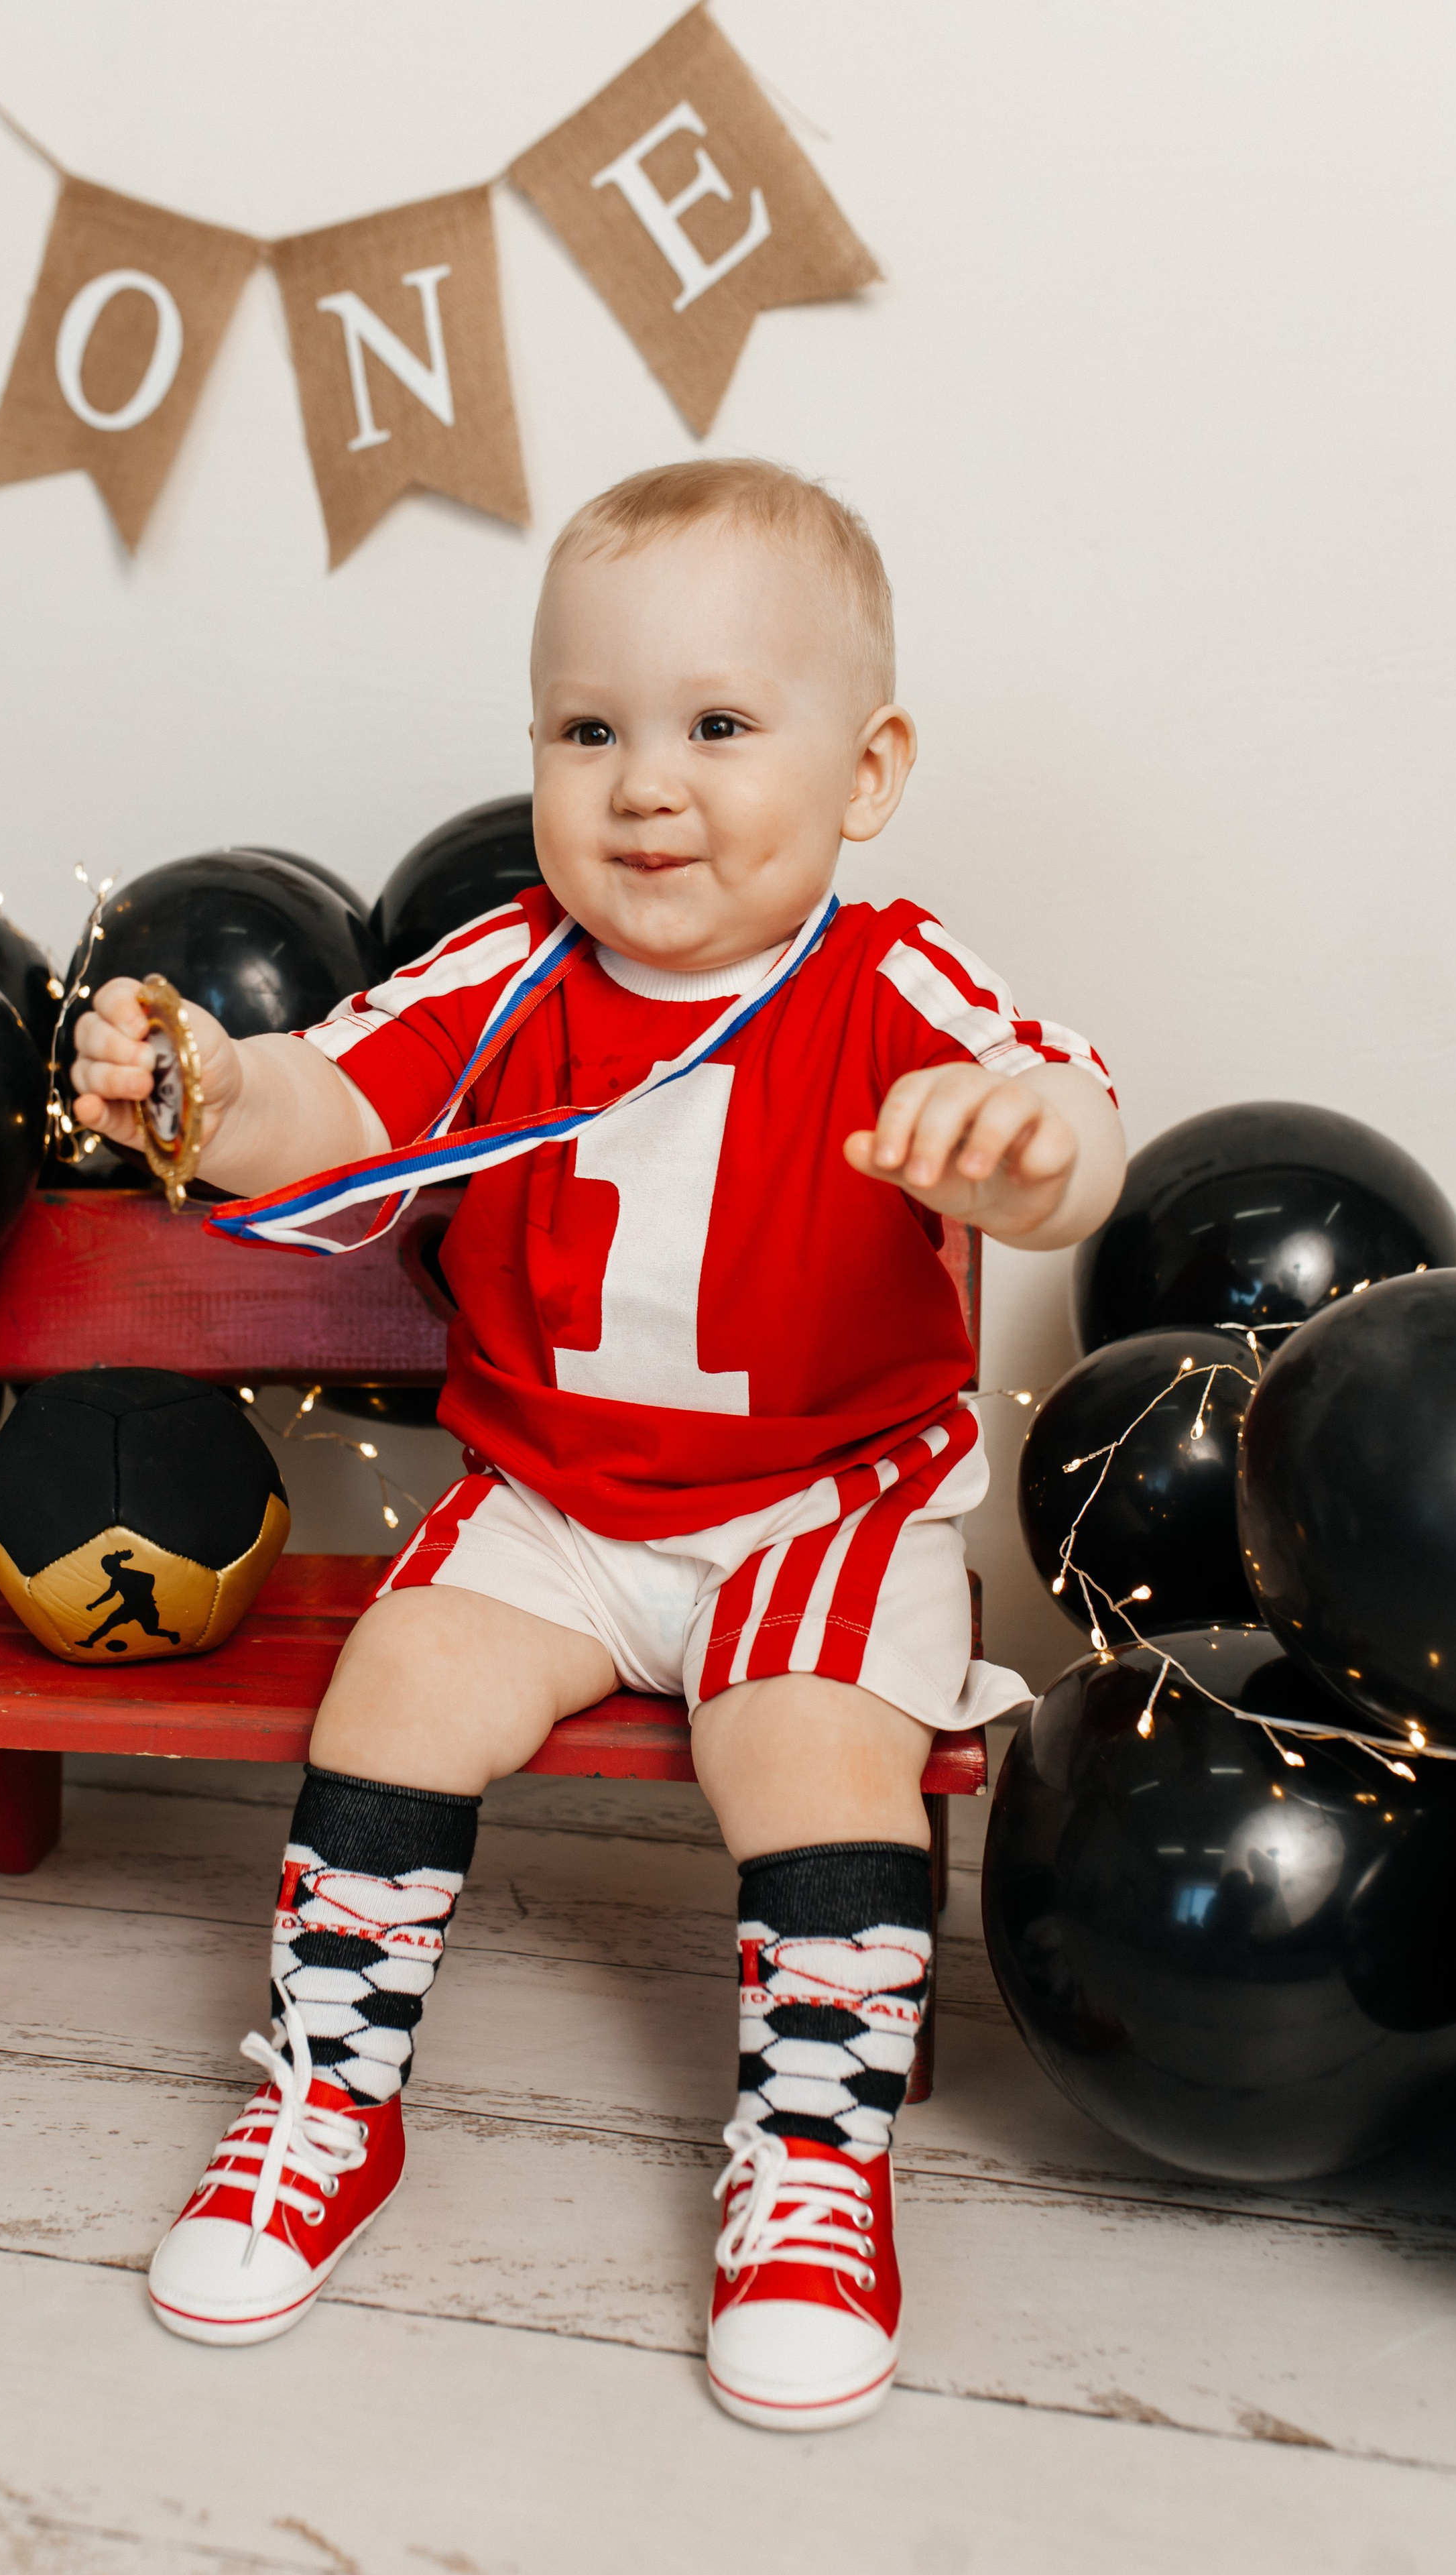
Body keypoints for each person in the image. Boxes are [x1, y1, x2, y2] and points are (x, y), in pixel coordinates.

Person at [72, 458, 1124, 2431]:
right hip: (553, 1499)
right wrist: (208, 1086)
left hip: (821, 1500)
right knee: (397, 1687)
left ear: (867, 770)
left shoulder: (891, 979)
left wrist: (1036, 1150)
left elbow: (1056, 1110)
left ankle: (814, 2166)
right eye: (589, 729)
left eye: (720, 727)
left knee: (801, 1740)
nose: (646, 784)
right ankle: (327, 2101)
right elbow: (326, 1102)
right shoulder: (513, 976)